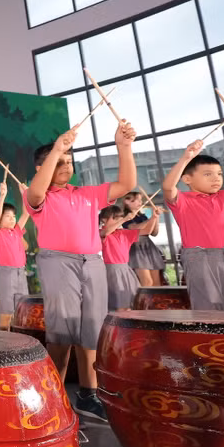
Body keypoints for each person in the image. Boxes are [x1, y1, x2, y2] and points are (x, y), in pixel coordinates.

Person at [24, 120, 136, 421]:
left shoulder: (86, 193)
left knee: (92, 331)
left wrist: (124, 147)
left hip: (93, 263)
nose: (65, 165)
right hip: (57, 262)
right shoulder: (40, 197)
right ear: (42, 167)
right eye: (59, 161)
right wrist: (57, 149)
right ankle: (52, 395)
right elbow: (34, 194)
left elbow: (125, 186)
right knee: (61, 332)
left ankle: (89, 393)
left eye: (69, 160)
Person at [163, 143, 224, 311]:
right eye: (207, 174)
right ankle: (212, 338)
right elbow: (168, 187)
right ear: (187, 179)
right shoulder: (183, 201)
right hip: (199, 257)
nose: (216, 178)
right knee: (209, 307)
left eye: (219, 174)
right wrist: (186, 158)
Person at [100, 205, 160, 312]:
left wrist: (154, 217)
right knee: (118, 304)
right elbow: (106, 232)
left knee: (133, 303)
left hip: (126, 270)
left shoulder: (123, 233)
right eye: (116, 218)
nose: (119, 221)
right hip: (111, 271)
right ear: (104, 220)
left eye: (120, 218)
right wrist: (125, 219)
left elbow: (147, 231)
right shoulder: (102, 232)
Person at [0, 181, 30, 328]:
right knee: (6, 312)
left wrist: (24, 194)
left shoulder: (17, 231)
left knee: (22, 309)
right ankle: (4, 344)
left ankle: (18, 342)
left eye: (13, 216)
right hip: (6, 272)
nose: (12, 218)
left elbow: (26, 213)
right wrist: (2, 196)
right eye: (8, 216)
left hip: (20, 272)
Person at [122, 192, 166, 286]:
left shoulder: (143, 216)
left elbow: (154, 233)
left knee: (156, 283)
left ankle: (156, 301)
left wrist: (156, 217)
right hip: (136, 248)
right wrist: (152, 218)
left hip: (149, 247)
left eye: (141, 200)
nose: (140, 202)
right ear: (127, 201)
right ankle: (146, 301)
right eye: (137, 199)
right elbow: (136, 228)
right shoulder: (124, 217)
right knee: (147, 282)